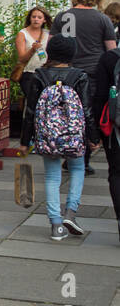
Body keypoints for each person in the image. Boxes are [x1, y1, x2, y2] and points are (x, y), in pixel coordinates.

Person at [21, 37, 93, 241]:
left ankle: (55, 225)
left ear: (50, 53)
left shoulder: (40, 76)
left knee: (52, 177)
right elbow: (86, 110)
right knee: (77, 169)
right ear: (72, 54)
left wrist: (26, 140)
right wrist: (93, 137)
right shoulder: (80, 76)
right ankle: (71, 213)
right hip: (73, 136)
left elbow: (31, 111)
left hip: (48, 136)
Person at [49, 0, 117, 176]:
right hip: (94, 74)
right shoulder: (103, 19)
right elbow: (112, 51)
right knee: (87, 115)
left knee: (65, 114)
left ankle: (66, 155)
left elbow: (51, 46)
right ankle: (83, 159)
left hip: (66, 73)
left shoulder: (62, 17)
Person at [96, 44, 120, 240]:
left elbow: (100, 95)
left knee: (116, 172)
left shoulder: (109, 58)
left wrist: (95, 132)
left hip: (114, 128)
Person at [14, 6, 51, 82]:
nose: (36, 19)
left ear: (44, 20)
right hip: (29, 73)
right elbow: (21, 58)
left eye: (39, 17)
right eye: (33, 17)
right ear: (30, 18)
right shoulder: (23, 34)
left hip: (45, 72)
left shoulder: (48, 33)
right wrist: (33, 49)